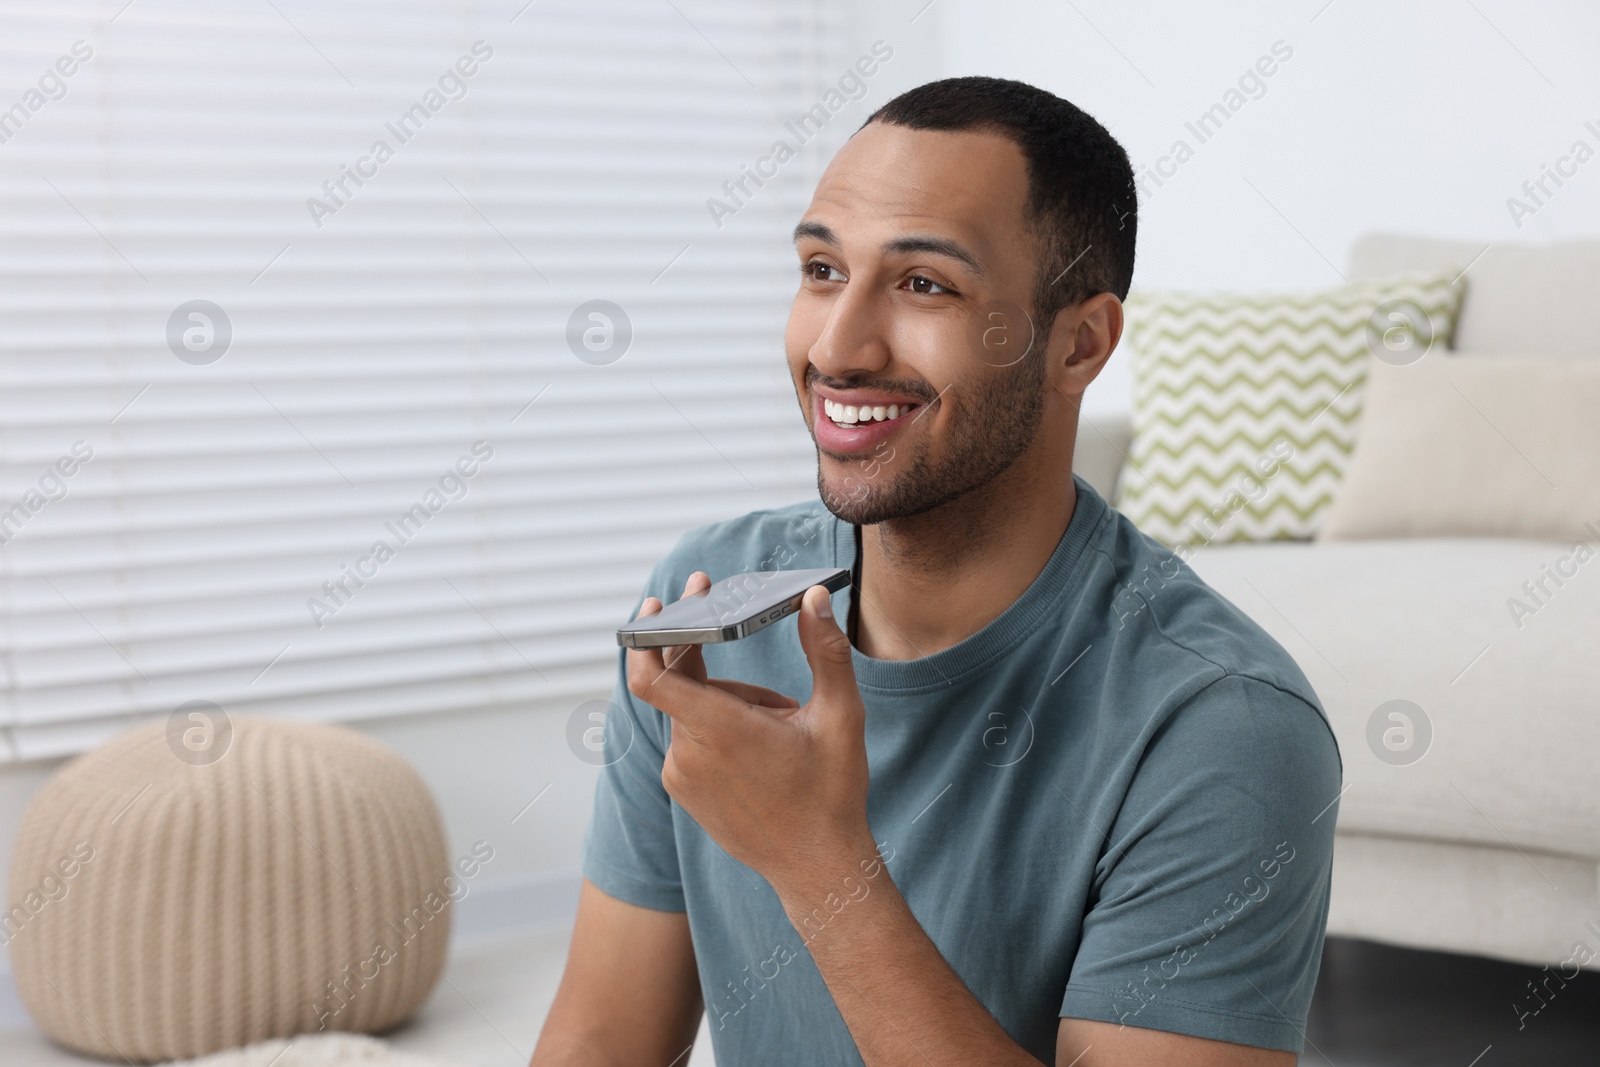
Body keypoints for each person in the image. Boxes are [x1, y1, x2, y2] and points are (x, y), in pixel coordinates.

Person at [531, 75, 1342, 1067]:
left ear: (1078, 344)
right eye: (821, 268)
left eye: (924, 284)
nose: (837, 345)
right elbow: (599, 1039)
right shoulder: (708, 599)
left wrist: (817, 860)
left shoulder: (1221, 726)